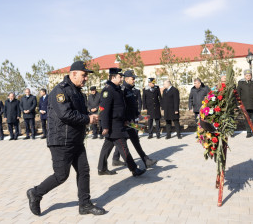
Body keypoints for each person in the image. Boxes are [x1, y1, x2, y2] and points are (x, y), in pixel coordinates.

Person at [27, 61, 105, 216]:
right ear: (73, 74)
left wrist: (89, 117)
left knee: (84, 171)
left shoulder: (78, 92)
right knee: (61, 175)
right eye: (83, 75)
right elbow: (65, 114)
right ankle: (35, 193)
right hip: (61, 140)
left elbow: (80, 114)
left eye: (86, 76)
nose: (86, 79)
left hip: (76, 139)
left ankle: (85, 204)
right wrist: (88, 119)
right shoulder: (60, 91)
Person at [97, 68, 146, 177]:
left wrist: (125, 120)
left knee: (107, 147)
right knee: (123, 148)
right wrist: (104, 126)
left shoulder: (117, 89)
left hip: (119, 122)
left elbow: (120, 107)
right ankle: (134, 169)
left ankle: (101, 168)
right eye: (120, 76)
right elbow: (104, 110)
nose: (121, 78)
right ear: (113, 77)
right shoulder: (108, 90)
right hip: (114, 126)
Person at [112, 70, 158, 168]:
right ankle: (112, 162)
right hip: (126, 121)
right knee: (116, 143)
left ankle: (146, 160)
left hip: (131, 121)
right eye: (133, 79)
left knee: (135, 140)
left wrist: (138, 114)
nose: (134, 80)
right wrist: (125, 119)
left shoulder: (129, 89)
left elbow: (132, 105)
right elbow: (122, 107)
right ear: (127, 79)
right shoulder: (122, 90)